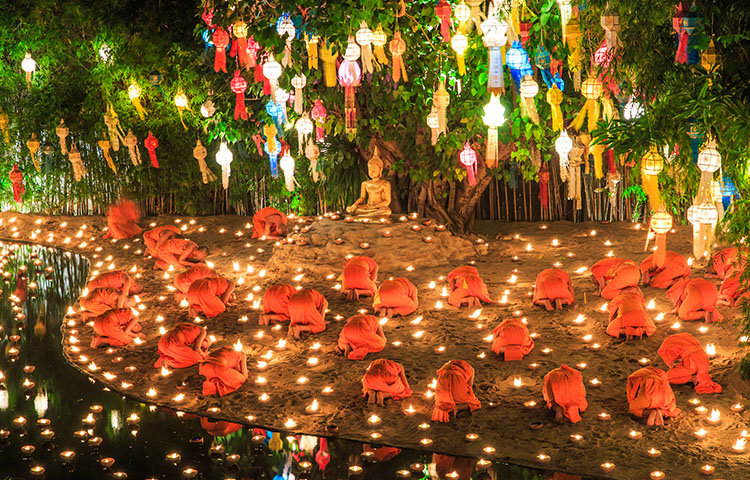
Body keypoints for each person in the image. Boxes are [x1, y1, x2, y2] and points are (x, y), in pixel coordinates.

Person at [345, 146, 392, 217]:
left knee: (387, 211)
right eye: (370, 169)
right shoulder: (365, 183)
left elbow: (387, 201)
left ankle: (364, 216)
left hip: (378, 208)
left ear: (380, 170)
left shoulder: (385, 184)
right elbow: (362, 197)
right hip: (367, 207)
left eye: (374, 169)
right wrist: (354, 205)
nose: (372, 171)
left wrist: (375, 206)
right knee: (349, 209)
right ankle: (368, 215)